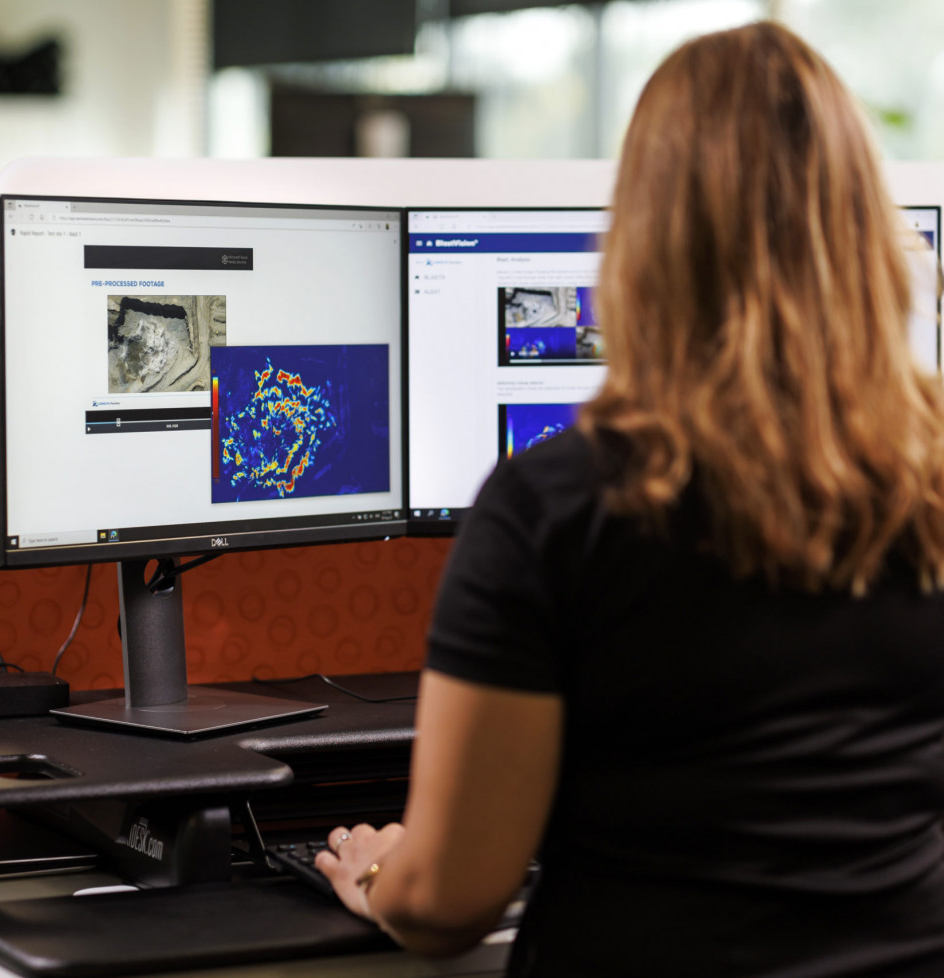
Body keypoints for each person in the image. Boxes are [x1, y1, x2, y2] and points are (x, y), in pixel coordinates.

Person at [316, 20, 944, 978]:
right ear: (861, 231)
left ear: (647, 238)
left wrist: (377, 874)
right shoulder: (929, 476)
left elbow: (449, 904)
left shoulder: (558, 505)